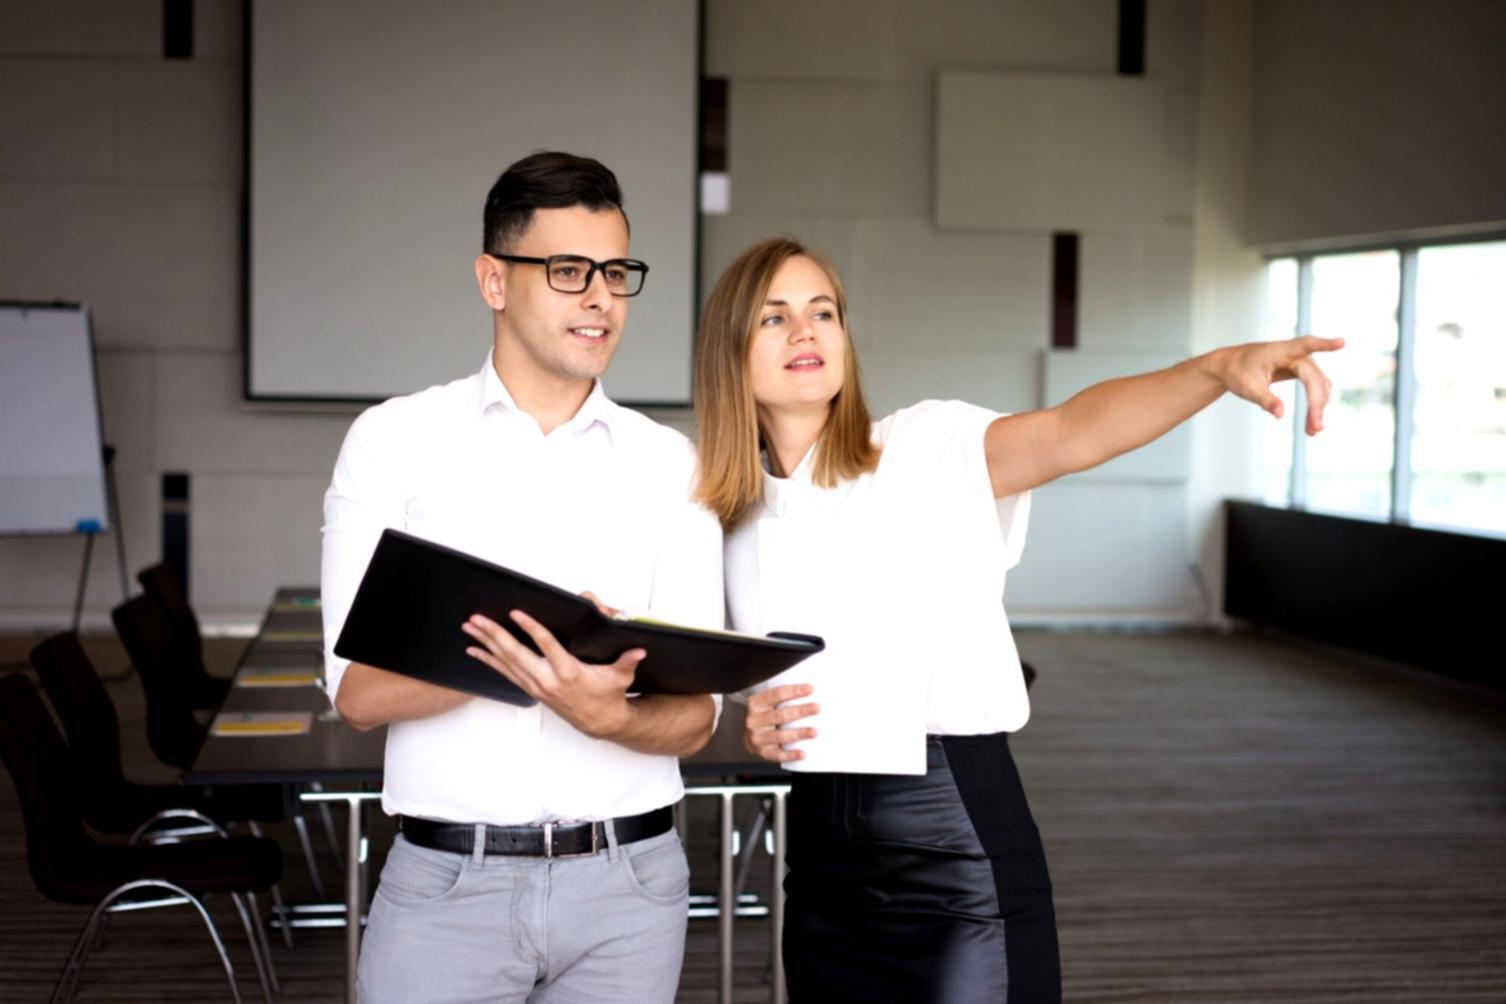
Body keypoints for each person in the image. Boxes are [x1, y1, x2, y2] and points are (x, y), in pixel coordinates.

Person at [693, 236, 1341, 1003]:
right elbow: (710, 703)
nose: (807, 332)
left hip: (954, 844)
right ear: (730, 352)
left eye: (822, 311)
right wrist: (747, 729)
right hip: (823, 863)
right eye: (775, 318)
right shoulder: (719, 511)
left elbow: (1074, 430)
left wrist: (1211, 370)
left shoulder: (922, 446)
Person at [321, 152, 723, 1003]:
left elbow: (694, 719)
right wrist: (526, 655)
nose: (601, 298)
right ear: (494, 280)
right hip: (444, 888)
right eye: (569, 270)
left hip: (632, 890)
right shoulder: (393, 442)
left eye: (616, 272)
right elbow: (354, 693)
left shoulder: (672, 465)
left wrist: (607, 714)